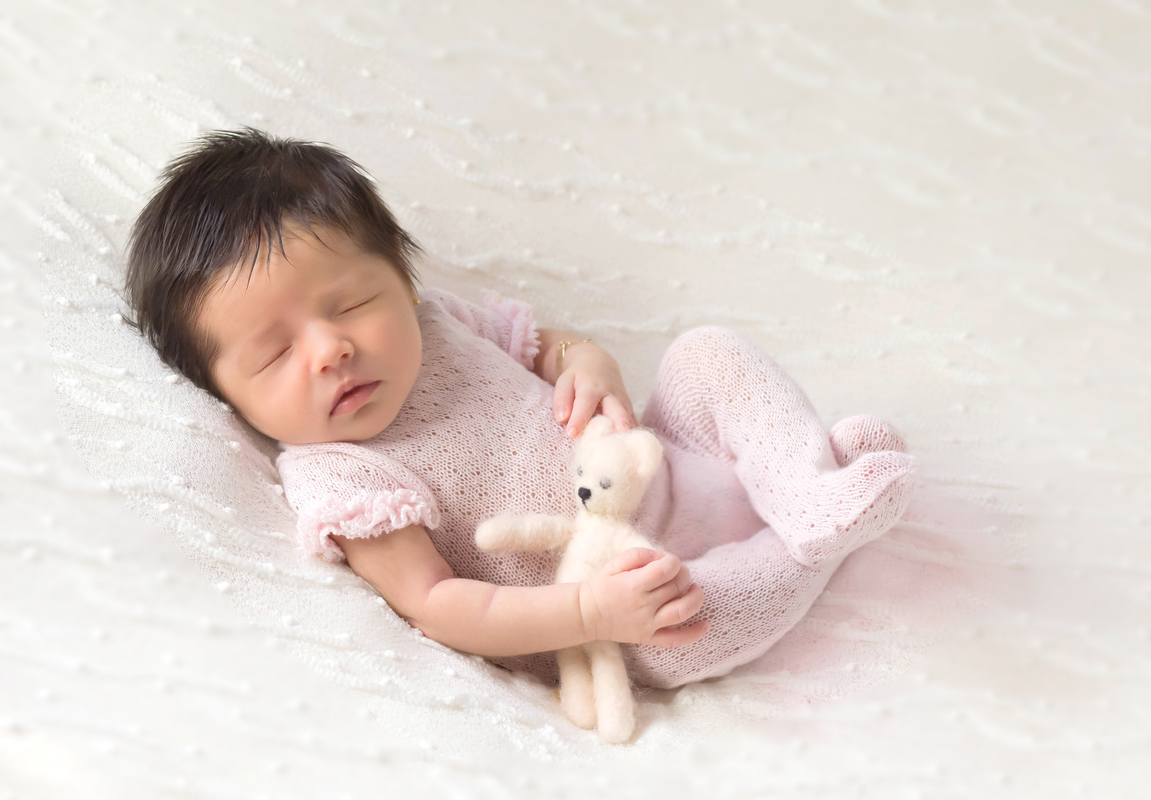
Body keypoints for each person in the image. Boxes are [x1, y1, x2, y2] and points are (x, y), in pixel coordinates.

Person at [124, 127, 915, 690]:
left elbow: (550, 347)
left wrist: (587, 364)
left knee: (707, 352)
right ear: (228, 398)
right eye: (274, 354)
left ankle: (804, 485)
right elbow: (438, 606)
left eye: (352, 303)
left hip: (666, 463)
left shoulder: (439, 324)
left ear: (401, 278)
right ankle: (810, 544)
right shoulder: (341, 476)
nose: (330, 349)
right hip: (623, 605)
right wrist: (592, 610)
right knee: (689, 624)